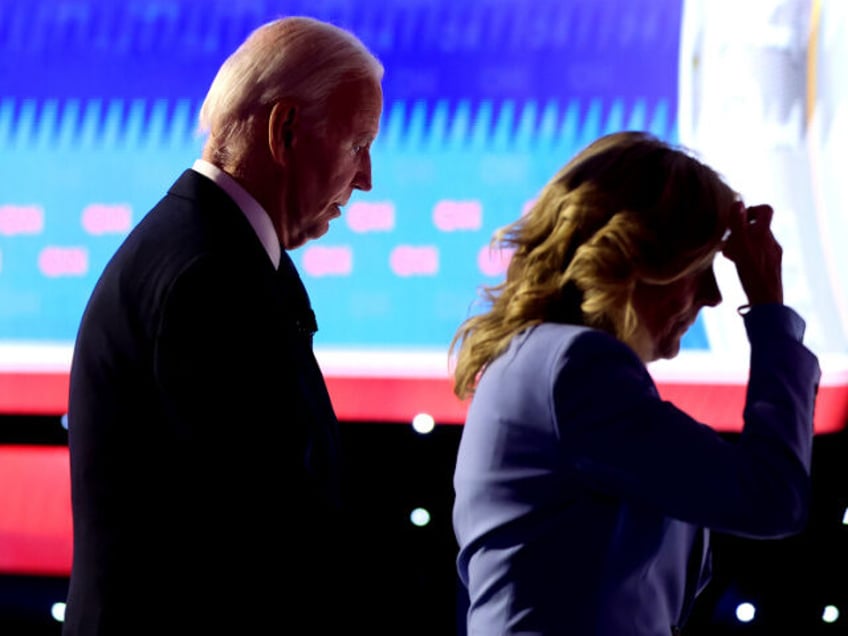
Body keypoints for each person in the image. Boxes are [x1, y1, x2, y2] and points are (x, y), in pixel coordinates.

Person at [63, 17, 383, 635]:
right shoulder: (208, 274)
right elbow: (261, 531)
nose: (366, 177)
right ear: (285, 128)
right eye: (357, 143)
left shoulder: (210, 250)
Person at [450, 131, 820, 635]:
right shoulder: (578, 366)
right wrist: (770, 314)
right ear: (638, 255)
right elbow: (772, 498)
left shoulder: (539, 360)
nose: (713, 297)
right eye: (700, 268)